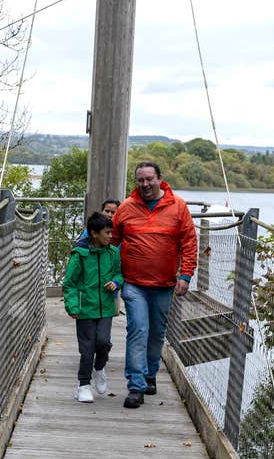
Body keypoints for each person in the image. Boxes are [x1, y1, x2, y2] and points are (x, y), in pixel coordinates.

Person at [111, 161, 197, 409]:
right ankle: (136, 386)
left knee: (157, 333)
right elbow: (111, 242)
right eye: (141, 180)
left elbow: (189, 242)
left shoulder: (178, 207)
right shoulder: (126, 208)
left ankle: (150, 374)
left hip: (164, 283)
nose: (145, 184)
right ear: (136, 181)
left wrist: (186, 275)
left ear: (160, 179)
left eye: (149, 179)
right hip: (134, 283)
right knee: (138, 328)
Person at [62, 212, 123, 403]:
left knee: (103, 342)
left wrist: (115, 282)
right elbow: (69, 283)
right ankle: (83, 385)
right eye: (107, 233)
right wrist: (72, 306)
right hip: (84, 309)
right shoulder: (79, 255)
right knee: (87, 348)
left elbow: (120, 274)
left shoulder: (113, 253)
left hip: (106, 308)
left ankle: (99, 368)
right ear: (94, 234)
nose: (110, 236)